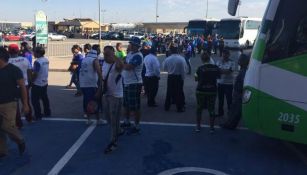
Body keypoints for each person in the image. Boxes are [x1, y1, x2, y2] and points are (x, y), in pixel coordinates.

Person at [0, 47, 28, 158]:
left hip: (9, 104)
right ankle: (2, 151)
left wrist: (25, 104)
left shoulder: (14, 70)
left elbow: (22, 87)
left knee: (7, 126)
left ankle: (20, 140)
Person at [101, 46, 124, 154]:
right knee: (108, 118)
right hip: (106, 95)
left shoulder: (116, 64)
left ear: (113, 54)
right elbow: (103, 78)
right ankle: (118, 130)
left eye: (107, 54)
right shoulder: (104, 63)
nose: (105, 56)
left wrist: (114, 56)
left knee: (114, 120)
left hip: (116, 96)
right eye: (104, 54)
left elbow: (121, 66)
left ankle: (113, 142)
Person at [121, 37, 143, 134]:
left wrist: (122, 63)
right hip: (127, 82)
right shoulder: (130, 54)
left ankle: (137, 126)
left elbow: (128, 67)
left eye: (132, 44)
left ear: (136, 46)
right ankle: (127, 121)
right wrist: (123, 62)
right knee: (126, 104)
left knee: (135, 106)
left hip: (134, 83)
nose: (130, 45)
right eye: (130, 43)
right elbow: (124, 61)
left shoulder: (138, 56)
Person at [222, 53, 250, 129]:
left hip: (239, 94)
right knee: (234, 109)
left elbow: (243, 84)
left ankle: (230, 124)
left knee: (236, 110)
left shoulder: (243, 72)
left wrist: (239, 93)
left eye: (240, 59)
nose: (238, 60)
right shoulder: (243, 70)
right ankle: (230, 123)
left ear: (243, 62)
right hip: (237, 93)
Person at [195, 52, 221, 133]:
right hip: (212, 90)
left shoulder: (200, 68)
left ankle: (198, 127)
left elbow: (196, 78)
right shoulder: (216, 68)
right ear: (209, 59)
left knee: (199, 108)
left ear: (202, 59)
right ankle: (211, 128)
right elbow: (218, 77)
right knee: (211, 109)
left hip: (201, 90)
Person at [8, 44, 33, 127]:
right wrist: (29, 82)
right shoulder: (24, 59)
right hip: (24, 85)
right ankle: (29, 118)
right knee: (26, 102)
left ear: (9, 51)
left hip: (13, 87)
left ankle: (18, 123)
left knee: (15, 106)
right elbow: (29, 72)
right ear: (18, 51)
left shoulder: (7, 61)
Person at [79, 45, 103, 125]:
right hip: (91, 83)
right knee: (95, 101)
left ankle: (88, 119)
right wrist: (102, 82)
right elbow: (99, 72)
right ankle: (98, 120)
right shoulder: (94, 60)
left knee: (87, 101)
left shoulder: (85, 59)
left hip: (83, 83)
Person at [163, 44, 187, 112]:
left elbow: (164, 68)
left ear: (171, 51)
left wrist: (170, 70)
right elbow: (184, 69)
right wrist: (183, 78)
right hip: (178, 77)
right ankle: (179, 108)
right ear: (177, 51)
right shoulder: (181, 59)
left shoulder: (168, 59)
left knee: (169, 92)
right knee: (179, 92)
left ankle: (166, 107)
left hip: (170, 77)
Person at [31, 46, 51, 120]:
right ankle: (47, 112)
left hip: (38, 83)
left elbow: (35, 73)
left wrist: (31, 81)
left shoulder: (37, 62)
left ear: (38, 53)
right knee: (44, 98)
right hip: (44, 81)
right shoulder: (46, 59)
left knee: (35, 100)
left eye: (35, 52)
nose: (33, 53)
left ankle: (38, 114)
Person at [216, 49, 235, 117]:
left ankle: (230, 113)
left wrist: (221, 70)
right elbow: (217, 71)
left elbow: (229, 71)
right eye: (223, 54)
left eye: (226, 54)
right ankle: (220, 113)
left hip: (229, 84)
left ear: (228, 55)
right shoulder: (219, 61)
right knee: (220, 100)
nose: (224, 56)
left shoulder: (232, 62)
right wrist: (224, 71)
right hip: (220, 83)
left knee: (229, 100)